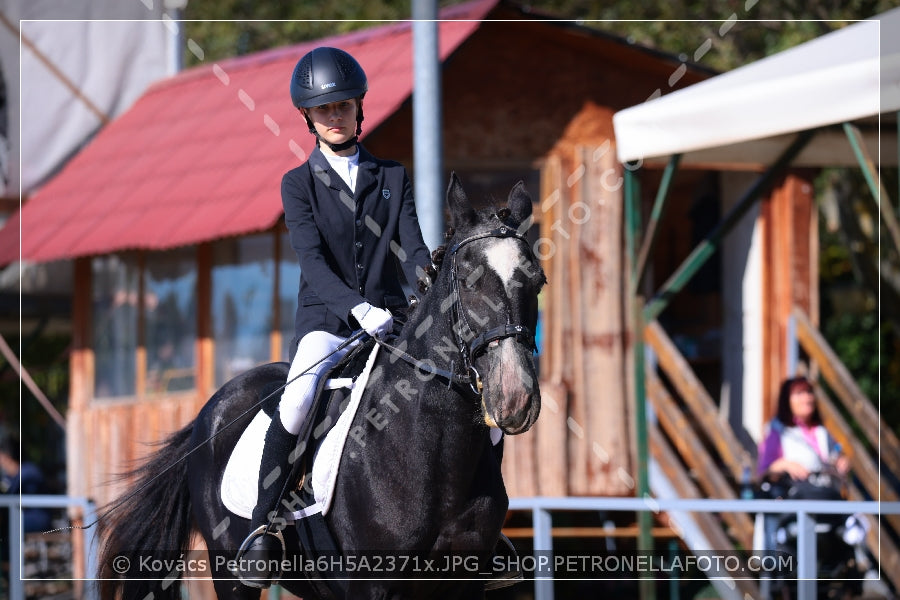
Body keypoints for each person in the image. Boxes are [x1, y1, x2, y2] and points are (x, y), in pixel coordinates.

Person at [235, 46, 432, 587]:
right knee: (298, 396)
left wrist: (424, 286)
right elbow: (313, 263)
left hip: (393, 318)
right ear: (309, 118)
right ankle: (263, 527)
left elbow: (412, 247)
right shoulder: (297, 185)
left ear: (359, 108)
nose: (336, 117)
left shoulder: (392, 175)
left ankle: (485, 523)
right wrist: (356, 307)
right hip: (328, 320)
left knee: (460, 381)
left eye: (344, 106)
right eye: (326, 110)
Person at [757, 375, 850, 483]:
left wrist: (841, 462)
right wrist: (785, 465)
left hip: (824, 495)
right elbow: (764, 473)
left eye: (809, 392)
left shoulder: (821, 431)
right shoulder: (778, 431)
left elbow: (834, 456)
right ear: (786, 400)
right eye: (799, 393)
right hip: (794, 496)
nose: (807, 398)